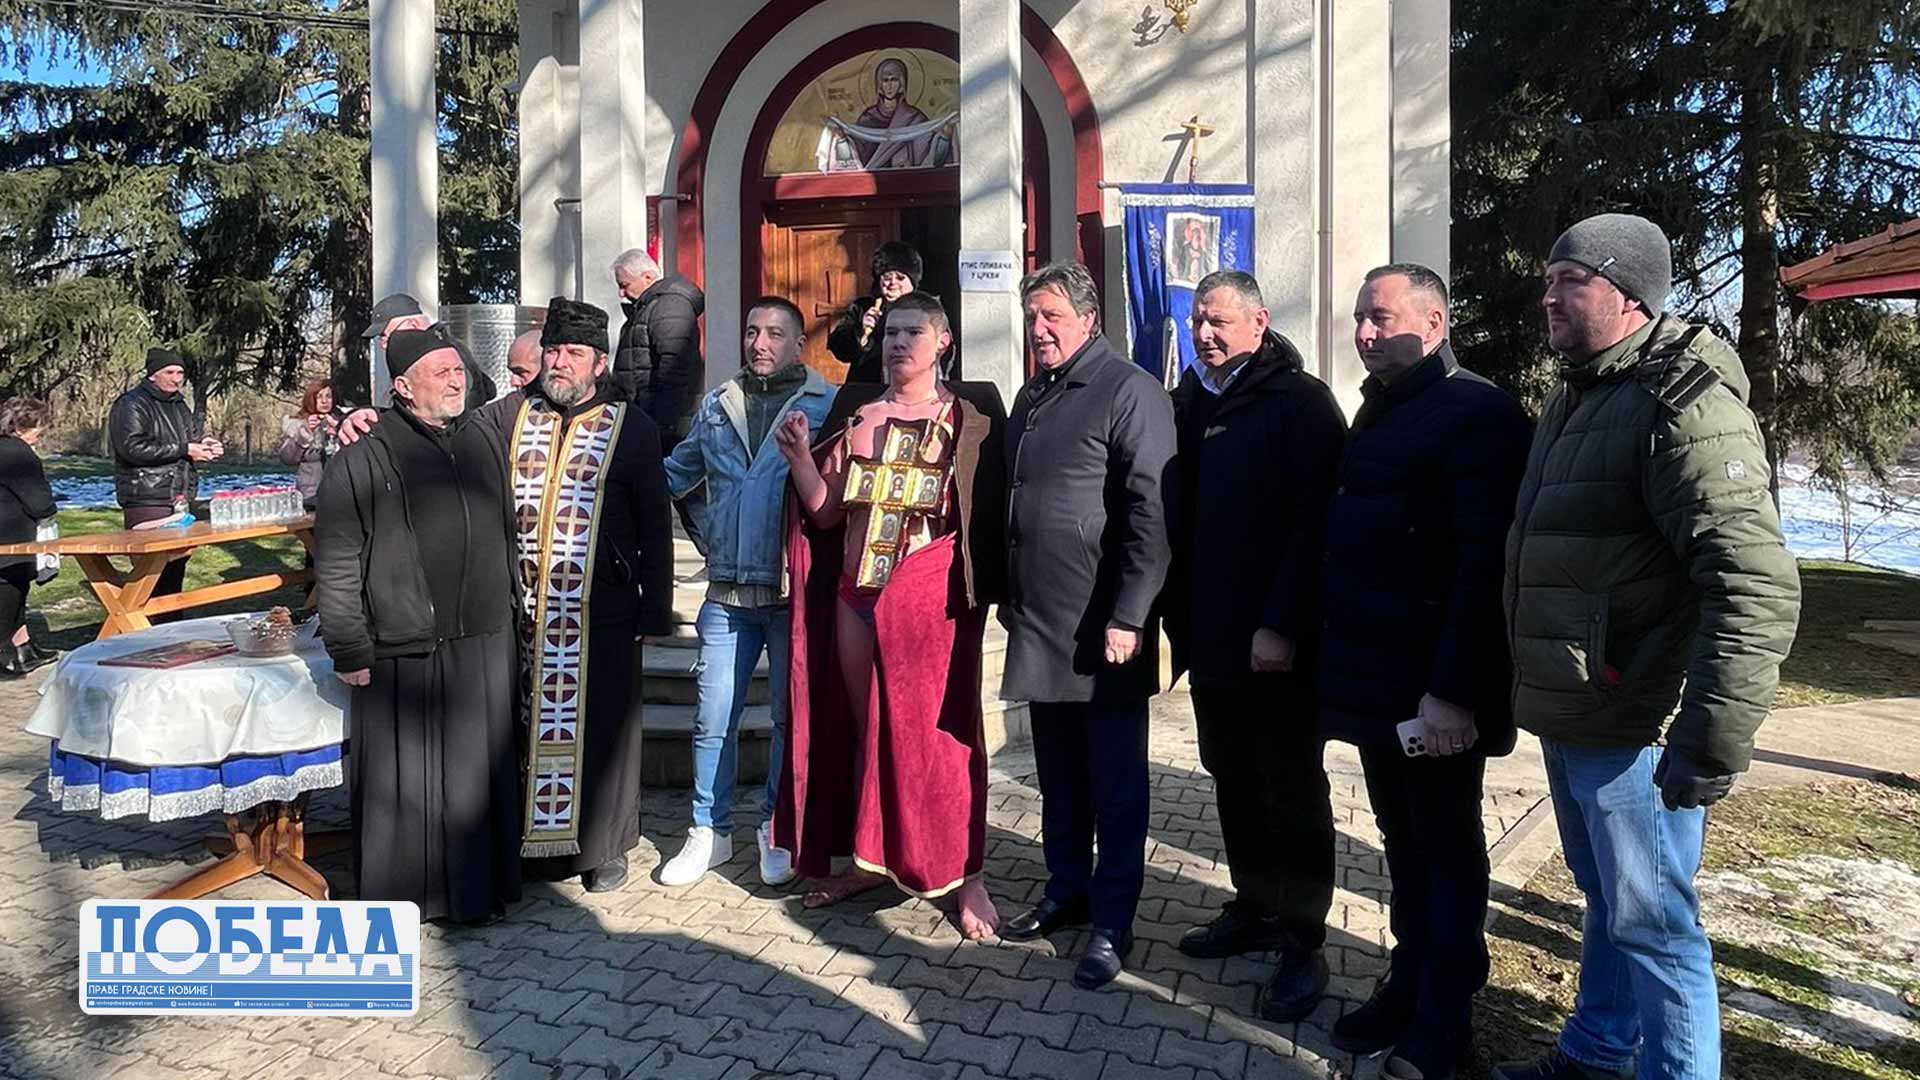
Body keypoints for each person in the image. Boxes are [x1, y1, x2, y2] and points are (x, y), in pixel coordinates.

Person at [1494, 214, 1802, 1080]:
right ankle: (1597, 1053)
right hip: (1579, 709)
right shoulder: (1582, 392)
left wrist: (1709, 740)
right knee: (1609, 901)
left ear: (1630, 295)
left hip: (1638, 721)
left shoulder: (1684, 403)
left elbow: (1752, 582)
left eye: (1571, 280)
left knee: (1658, 927)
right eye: (1547, 280)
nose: (1549, 297)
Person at [338, 303, 678, 893]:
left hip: (602, 610)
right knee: (522, 728)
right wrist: (369, 416)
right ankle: (528, 845)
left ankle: (604, 848)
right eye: (553, 351)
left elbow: (654, 522)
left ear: (599, 363)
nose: (560, 363)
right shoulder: (507, 416)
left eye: (574, 354)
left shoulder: (632, 427)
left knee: (603, 730)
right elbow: (431, 419)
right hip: (520, 609)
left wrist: (656, 606)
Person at [1317, 264, 1532, 1080]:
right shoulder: (1383, 406)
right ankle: (1406, 983)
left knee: (1446, 851)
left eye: (1381, 318)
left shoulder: (1478, 413)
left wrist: (1454, 693)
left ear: (1434, 323)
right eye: (1360, 319)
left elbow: (1483, 569)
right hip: (1380, 682)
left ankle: (1446, 1019)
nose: (1365, 334)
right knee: (1402, 843)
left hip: (1437, 694)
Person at [773, 291, 1007, 940]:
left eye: (913, 332)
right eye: (892, 333)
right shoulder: (858, 416)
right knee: (862, 731)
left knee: (942, 741)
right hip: (856, 597)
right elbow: (826, 514)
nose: (898, 343)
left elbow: (981, 521)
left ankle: (966, 875)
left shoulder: (968, 421)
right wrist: (799, 459)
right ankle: (869, 859)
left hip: (931, 611)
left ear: (943, 342)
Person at [1161, 271, 1346, 1021]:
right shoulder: (1187, 400)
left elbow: (1317, 523)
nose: (1205, 334)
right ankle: (1255, 905)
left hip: (1276, 643)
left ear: (1260, 321)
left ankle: (1304, 939)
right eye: (1197, 322)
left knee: (1289, 786)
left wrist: (1283, 623)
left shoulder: (1300, 403)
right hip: (1210, 636)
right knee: (1232, 776)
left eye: (1219, 321)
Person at [998, 261, 1175, 989]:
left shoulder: (1129, 390)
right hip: (1043, 622)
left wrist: (1131, 613)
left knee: (1115, 784)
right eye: (1032, 317)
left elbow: (1149, 511)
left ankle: (1113, 919)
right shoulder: (1034, 393)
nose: (1038, 329)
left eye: (1052, 316)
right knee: (1059, 777)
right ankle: (1066, 889)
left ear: (1089, 319)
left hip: (1105, 627)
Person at [314, 328, 523, 924]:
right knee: (407, 785)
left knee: (476, 778)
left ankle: (479, 895)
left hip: (485, 636)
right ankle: (410, 900)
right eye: (441, 373)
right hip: (403, 645)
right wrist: (348, 646)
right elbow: (337, 560)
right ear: (403, 388)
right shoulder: (362, 457)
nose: (456, 382)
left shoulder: (483, 438)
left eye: (459, 371)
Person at [655, 296, 837, 888]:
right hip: (726, 593)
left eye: (776, 333)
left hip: (790, 593)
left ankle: (775, 827)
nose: (761, 343)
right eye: (753, 331)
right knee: (712, 718)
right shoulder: (717, 404)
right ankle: (708, 830)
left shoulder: (828, 404)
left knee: (787, 717)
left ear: (798, 345)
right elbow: (676, 475)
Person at [109, 347, 221, 613]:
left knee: (176, 566)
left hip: (179, 494)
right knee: (150, 570)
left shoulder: (179, 404)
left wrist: (203, 445)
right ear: (152, 374)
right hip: (146, 496)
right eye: (169, 372)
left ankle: (171, 622)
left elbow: (188, 441)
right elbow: (131, 448)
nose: (176, 378)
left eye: (180, 373)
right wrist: (184, 449)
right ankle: (144, 625)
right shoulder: (131, 404)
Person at [612, 249, 706, 449]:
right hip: (650, 422)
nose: (621, 293)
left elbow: (674, 368)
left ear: (647, 277)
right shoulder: (649, 307)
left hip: (665, 429)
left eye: (624, 285)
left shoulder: (669, 306)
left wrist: (661, 427)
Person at [0, 398, 59, 680]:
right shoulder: (18, 453)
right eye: (39, 428)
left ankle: (22, 648)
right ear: (22, 427)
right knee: (9, 595)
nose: (41, 434)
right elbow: (38, 501)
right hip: (12, 535)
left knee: (16, 596)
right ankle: (5, 656)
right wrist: (49, 508)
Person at [363, 293, 497, 410]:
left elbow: (462, 401)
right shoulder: (446, 346)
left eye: (387, 336)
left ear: (413, 325)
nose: (384, 345)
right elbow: (489, 389)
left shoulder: (444, 351)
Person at [829, 242, 923, 384]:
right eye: (887, 277)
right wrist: (860, 332)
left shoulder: (926, 310)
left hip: (912, 387)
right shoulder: (862, 307)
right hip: (866, 388)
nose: (892, 283)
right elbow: (839, 348)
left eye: (900, 277)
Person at [278, 379, 344, 509]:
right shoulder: (298, 424)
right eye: (319, 397)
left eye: (328, 396)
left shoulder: (343, 422)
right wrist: (305, 433)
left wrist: (338, 433)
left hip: (341, 492)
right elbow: (287, 458)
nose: (324, 401)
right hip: (310, 495)